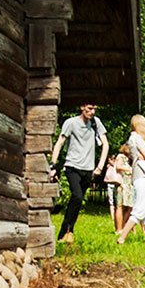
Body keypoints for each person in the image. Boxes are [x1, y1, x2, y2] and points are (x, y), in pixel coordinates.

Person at [49, 103, 107, 244]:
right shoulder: (71, 123)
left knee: (78, 202)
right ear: (81, 107)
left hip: (88, 169)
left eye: (94, 109)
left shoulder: (96, 123)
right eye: (89, 109)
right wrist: (53, 164)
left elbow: (105, 144)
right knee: (77, 195)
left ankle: (68, 232)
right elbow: (60, 143)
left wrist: (99, 167)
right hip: (72, 166)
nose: (92, 112)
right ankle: (64, 231)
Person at [116, 115, 145, 243]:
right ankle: (122, 237)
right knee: (140, 209)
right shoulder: (136, 138)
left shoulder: (135, 139)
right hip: (142, 176)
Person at [104, 149, 128, 232]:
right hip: (119, 184)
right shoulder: (121, 157)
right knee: (118, 205)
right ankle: (119, 228)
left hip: (123, 184)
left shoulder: (126, 157)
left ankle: (122, 226)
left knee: (125, 206)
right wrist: (130, 169)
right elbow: (118, 167)